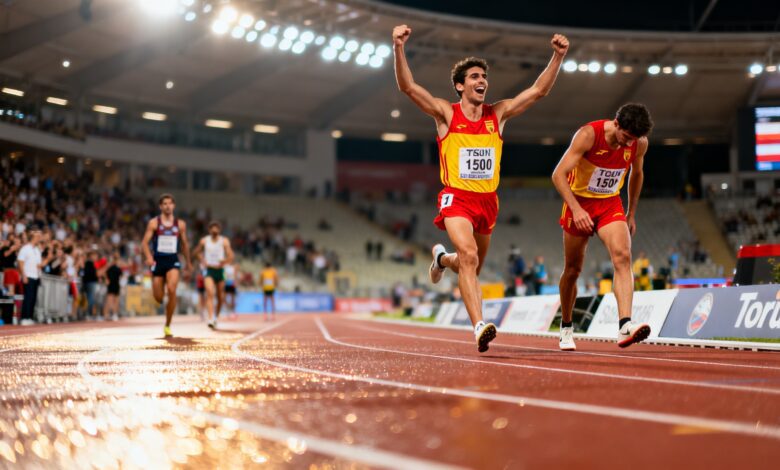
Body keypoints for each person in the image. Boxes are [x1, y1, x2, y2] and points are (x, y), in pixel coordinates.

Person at [393, 24, 569, 352]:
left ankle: (442, 260)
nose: (481, 81)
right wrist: (398, 47)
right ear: (460, 85)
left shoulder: (497, 114)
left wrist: (557, 57)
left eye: (483, 77)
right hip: (456, 197)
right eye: (474, 76)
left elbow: (537, 92)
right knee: (470, 256)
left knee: (469, 265)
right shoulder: (446, 113)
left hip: (488, 201)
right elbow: (408, 87)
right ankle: (478, 326)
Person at [552, 103, 654, 351]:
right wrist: (576, 209)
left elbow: (637, 174)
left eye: (634, 140)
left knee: (623, 256)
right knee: (573, 270)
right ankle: (566, 327)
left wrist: (631, 212)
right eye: (626, 138)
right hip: (580, 202)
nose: (629, 144)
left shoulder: (639, 143)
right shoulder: (588, 135)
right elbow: (558, 175)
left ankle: (625, 325)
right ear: (616, 124)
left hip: (609, 203)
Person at [141, 194, 191, 338]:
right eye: (165, 204)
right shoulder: (154, 223)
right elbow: (144, 243)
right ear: (160, 206)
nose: (168, 206)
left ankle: (167, 324)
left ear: (174, 206)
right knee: (158, 297)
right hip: (158, 260)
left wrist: (188, 262)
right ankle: (164, 301)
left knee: (172, 289)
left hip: (173, 260)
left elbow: (185, 244)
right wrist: (149, 257)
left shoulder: (180, 224)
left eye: (170, 203)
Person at [192, 221, 234, 329]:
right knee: (210, 293)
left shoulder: (224, 241)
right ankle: (210, 318)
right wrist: (202, 259)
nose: (214, 230)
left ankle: (216, 317)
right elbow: (195, 252)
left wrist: (224, 261)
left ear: (219, 230)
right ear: (209, 230)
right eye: (212, 228)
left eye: (217, 228)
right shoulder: (204, 241)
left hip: (220, 271)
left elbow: (231, 255)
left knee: (220, 297)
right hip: (209, 270)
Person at [17, 228, 48, 325]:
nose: (39, 238)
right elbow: (20, 261)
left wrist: (48, 259)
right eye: (38, 236)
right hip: (28, 276)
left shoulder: (37, 250)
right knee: (28, 297)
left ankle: (29, 317)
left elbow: (38, 265)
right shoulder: (25, 248)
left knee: (33, 298)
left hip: (35, 276)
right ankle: (24, 317)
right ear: (33, 237)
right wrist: (24, 275)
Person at [103, 253, 122, 321]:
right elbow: (104, 273)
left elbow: (120, 276)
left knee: (115, 300)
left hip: (115, 284)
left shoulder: (118, 268)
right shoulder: (109, 267)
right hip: (112, 284)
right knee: (110, 301)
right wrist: (106, 279)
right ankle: (108, 314)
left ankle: (113, 314)